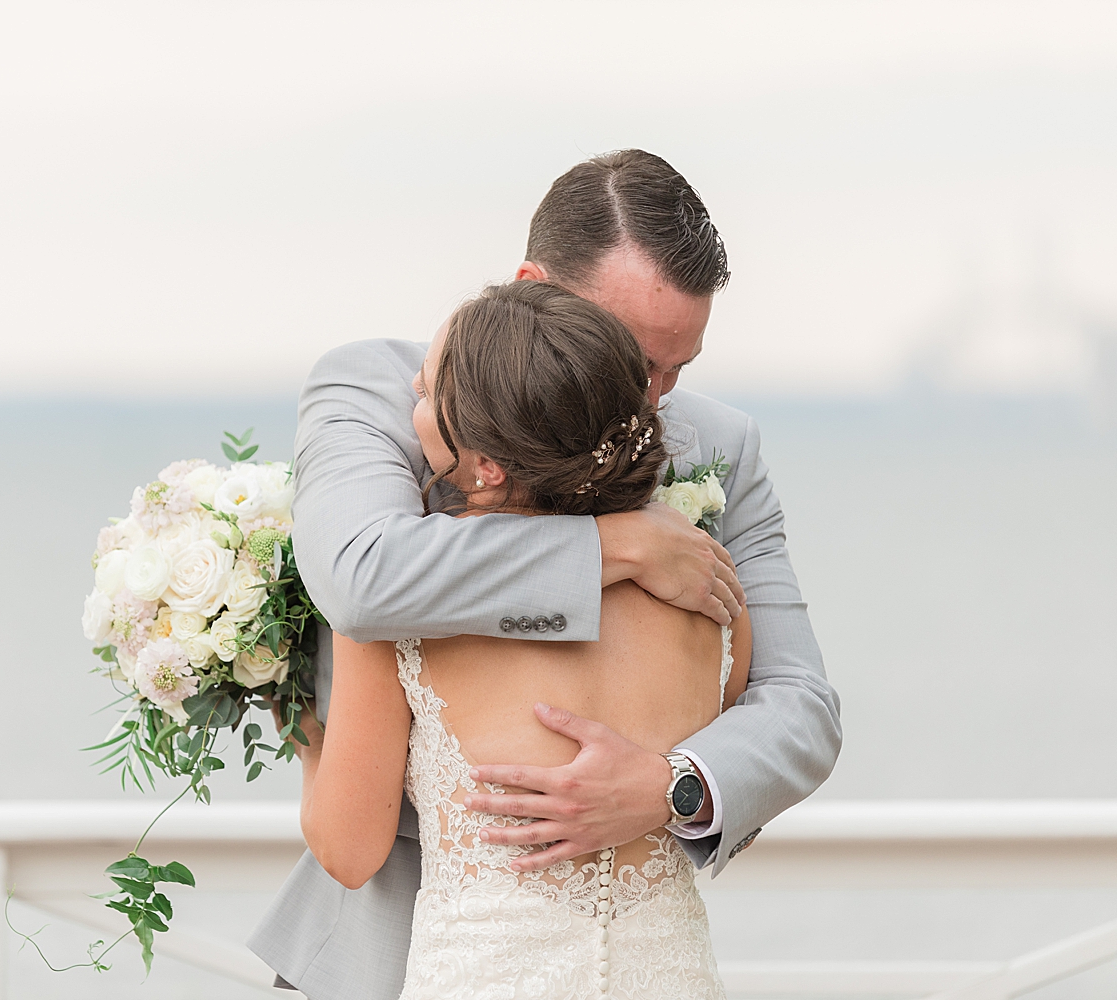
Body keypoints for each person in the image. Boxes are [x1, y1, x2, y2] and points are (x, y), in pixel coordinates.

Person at [248, 149, 841, 1000]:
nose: (653, 404)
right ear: (536, 282)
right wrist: (619, 549)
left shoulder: (721, 445)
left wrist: (670, 785)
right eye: (635, 357)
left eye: (681, 368)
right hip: (374, 955)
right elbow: (364, 581)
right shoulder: (379, 391)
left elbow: (801, 703)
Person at [294, 280, 752, 998]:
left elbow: (349, 850)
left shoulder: (401, 617)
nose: (410, 398)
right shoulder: (710, 591)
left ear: (487, 465)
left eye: (425, 396)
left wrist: (302, 728)